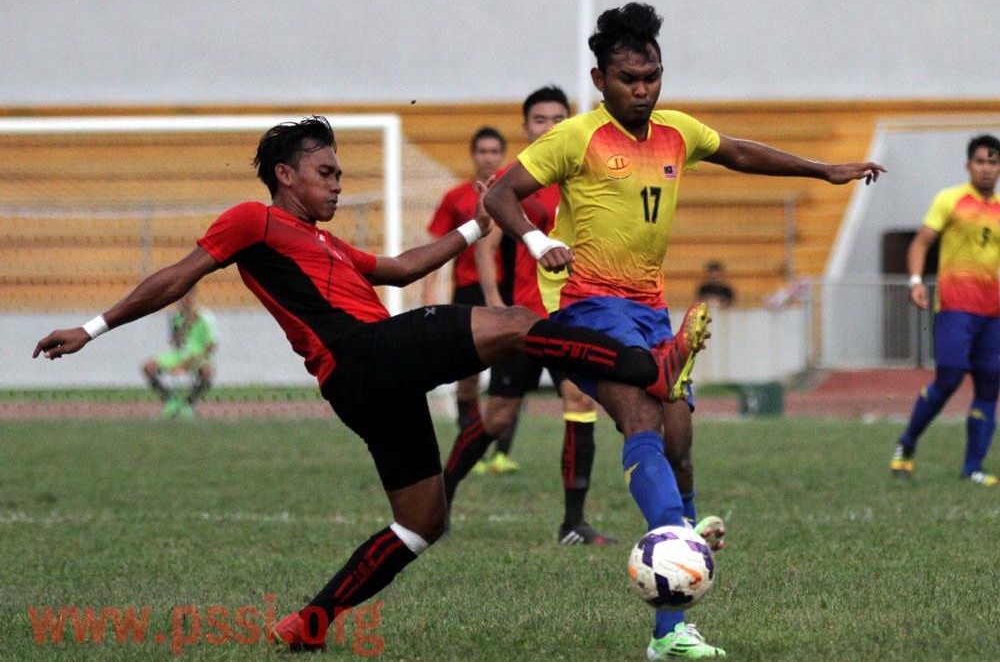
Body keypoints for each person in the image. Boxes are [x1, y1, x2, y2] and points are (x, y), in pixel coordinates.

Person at [33, 115, 708, 652]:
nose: (336, 184)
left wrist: (481, 219)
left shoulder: (325, 242)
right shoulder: (253, 219)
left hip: (360, 384)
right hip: (364, 355)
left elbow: (401, 267)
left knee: (423, 521)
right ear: (284, 174)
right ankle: (651, 367)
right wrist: (91, 328)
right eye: (325, 172)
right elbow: (177, 277)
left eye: (339, 173)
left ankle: (311, 622)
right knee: (518, 322)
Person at [484, 3, 886, 658]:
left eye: (652, 77)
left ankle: (680, 533)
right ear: (599, 79)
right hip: (591, 308)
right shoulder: (576, 138)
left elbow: (739, 152)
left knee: (677, 434)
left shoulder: (676, 132)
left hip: (649, 311)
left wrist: (824, 170)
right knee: (642, 421)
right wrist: (534, 240)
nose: (642, 90)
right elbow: (497, 193)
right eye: (628, 79)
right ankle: (672, 614)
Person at [442, 85, 617, 545]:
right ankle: (440, 497)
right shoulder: (517, 179)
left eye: (559, 119)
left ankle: (573, 523)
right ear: (525, 127)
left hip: (573, 317)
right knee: (498, 417)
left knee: (580, 403)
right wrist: (495, 305)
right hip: (525, 320)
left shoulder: (582, 172)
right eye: (541, 120)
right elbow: (488, 245)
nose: (551, 127)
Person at [890, 134, 1000, 487]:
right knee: (949, 377)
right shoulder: (950, 200)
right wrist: (916, 280)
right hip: (955, 306)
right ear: (969, 165)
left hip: (994, 312)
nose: (987, 168)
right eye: (981, 161)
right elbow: (921, 242)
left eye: (993, 162)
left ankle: (973, 468)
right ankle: (907, 442)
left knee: (988, 388)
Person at [424, 127, 513, 451]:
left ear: (501, 156)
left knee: (509, 371)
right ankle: (469, 441)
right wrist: (429, 290)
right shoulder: (456, 198)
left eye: (493, 151)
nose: (488, 157)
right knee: (468, 372)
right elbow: (436, 246)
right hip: (467, 291)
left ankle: (501, 452)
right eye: (482, 151)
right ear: (473, 155)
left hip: (505, 290)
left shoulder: (513, 195)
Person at [141, 286, 217, 418]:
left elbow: (211, 346)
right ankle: (171, 400)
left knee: (207, 370)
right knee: (148, 367)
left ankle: (189, 404)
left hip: (197, 356)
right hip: (179, 355)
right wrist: (186, 324)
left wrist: (189, 362)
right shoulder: (176, 318)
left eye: (188, 297)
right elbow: (176, 343)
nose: (184, 301)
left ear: (194, 297)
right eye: (181, 298)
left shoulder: (206, 317)